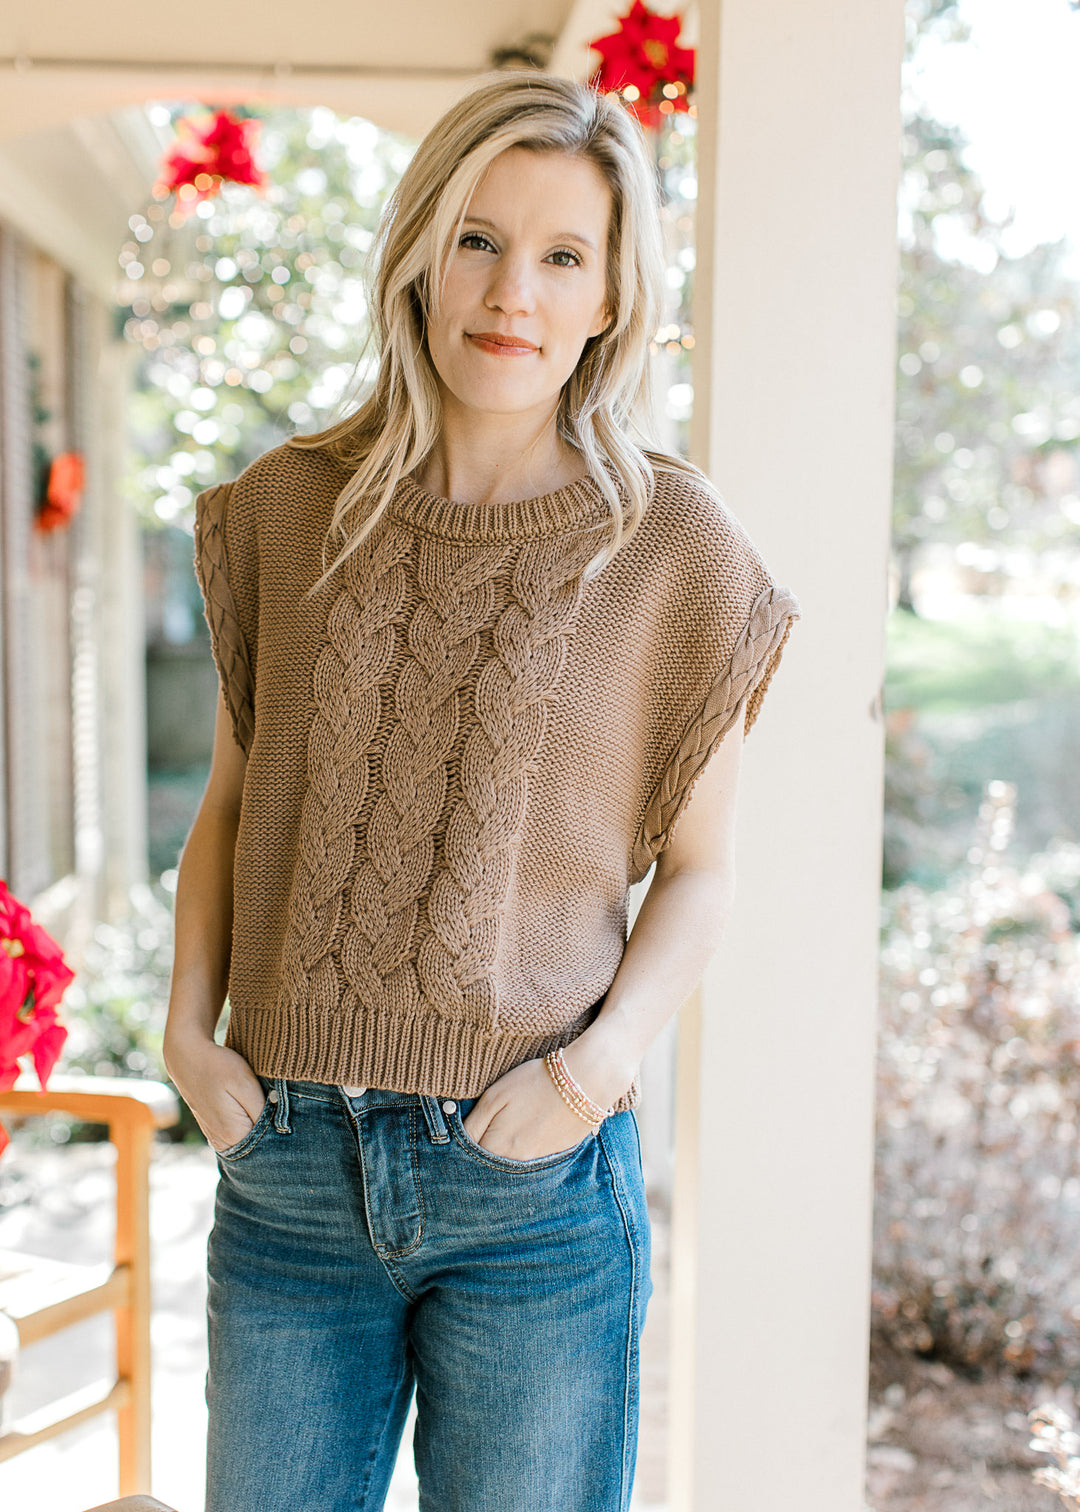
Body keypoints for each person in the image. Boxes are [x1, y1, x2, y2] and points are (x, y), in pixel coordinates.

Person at [165, 70, 800, 1512]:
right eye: (477, 239)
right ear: (417, 254)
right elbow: (231, 801)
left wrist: (595, 1071)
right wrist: (187, 1036)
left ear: (608, 297)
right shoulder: (281, 510)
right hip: (287, 1170)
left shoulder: (675, 551)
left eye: (562, 256)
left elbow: (701, 869)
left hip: (532, 1187)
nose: (512, 291)